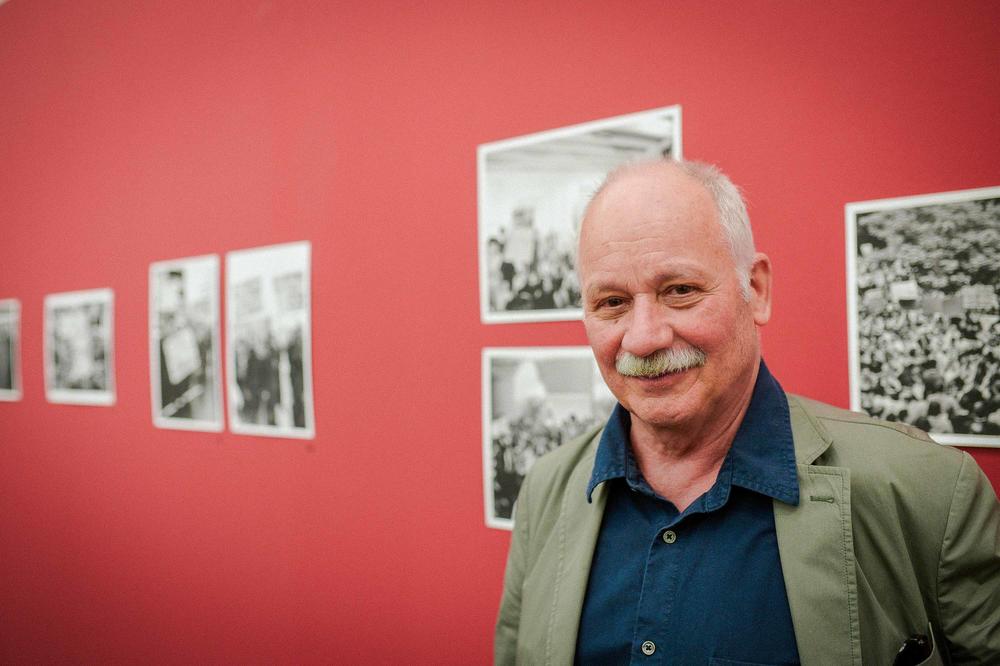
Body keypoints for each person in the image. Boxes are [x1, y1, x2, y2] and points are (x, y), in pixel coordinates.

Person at [495, 159, 1000, 664]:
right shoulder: (546, 492)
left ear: (755, 289)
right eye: (612, 302)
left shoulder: (927, 493)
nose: (644, 336)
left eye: (680, 291)